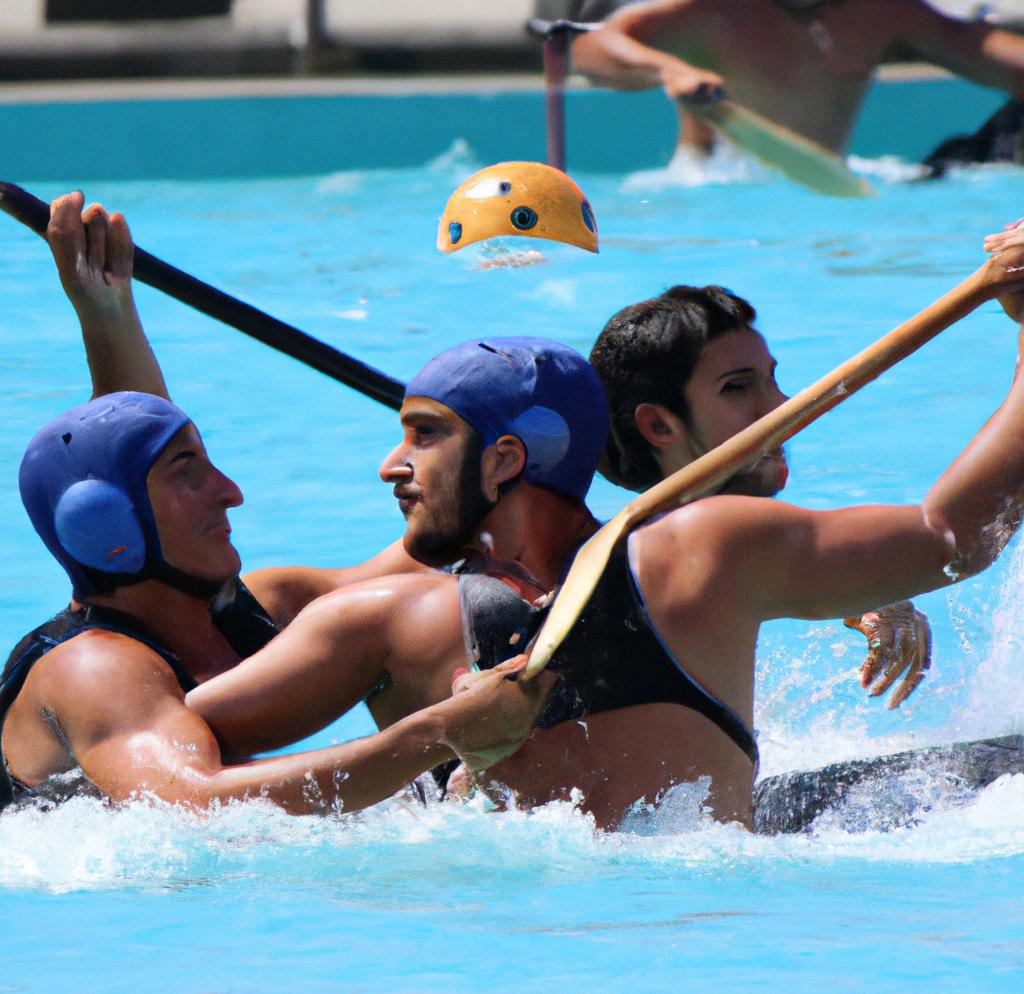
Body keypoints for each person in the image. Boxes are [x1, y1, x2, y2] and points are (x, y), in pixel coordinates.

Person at [35, 193, 1024, 829]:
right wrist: (427, 741)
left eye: (422, 435)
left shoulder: (377, 618)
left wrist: (833, 584)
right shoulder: (368, 613)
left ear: (506, 458)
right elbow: (156, 790)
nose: (389, 464)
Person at [0, 389, 554, 812]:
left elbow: (436, 554)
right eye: (187, 473)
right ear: (106, 524)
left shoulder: (247, 614)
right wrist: (442, 733)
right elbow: (196, 810)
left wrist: (500, 469)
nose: (230, 491)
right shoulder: (92, 668)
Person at [588, 284, 931, 704]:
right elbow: (953, 532)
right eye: (736, 387)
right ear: (660, 427)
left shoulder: (618, 550)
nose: (782, 405)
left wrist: (853, 583)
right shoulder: (710, 538)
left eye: (772, 379)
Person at [570, 0, 1024, 161]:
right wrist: (668, 68)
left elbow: (981, 49)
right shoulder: (715, 9)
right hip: (714, 189)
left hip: (832, 191)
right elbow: (590, 52)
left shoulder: (882, 12)